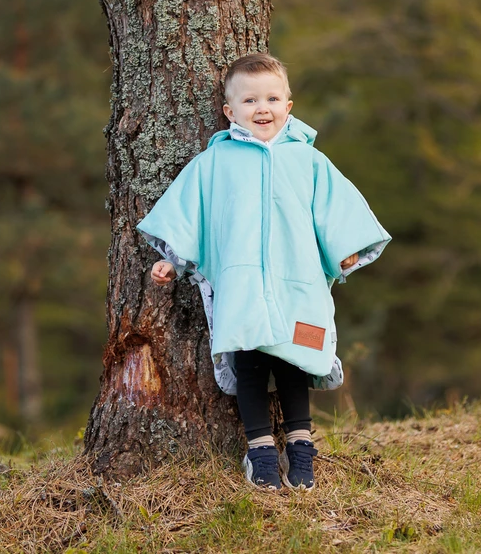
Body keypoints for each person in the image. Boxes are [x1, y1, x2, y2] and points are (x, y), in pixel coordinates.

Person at [137, 52, 390, 491]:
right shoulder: (215, 164)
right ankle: (261, 454)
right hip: (243, 287)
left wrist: (346, 250)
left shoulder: (308, 161)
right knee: (249, 361)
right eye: (250, 100)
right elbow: (190, 213)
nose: (262, 108)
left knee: (296, 360)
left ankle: (301, 448)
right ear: (229, 111)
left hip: (298, 284)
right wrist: (171, 259)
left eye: (272, 98)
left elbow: (335, 210)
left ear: (288, 106)